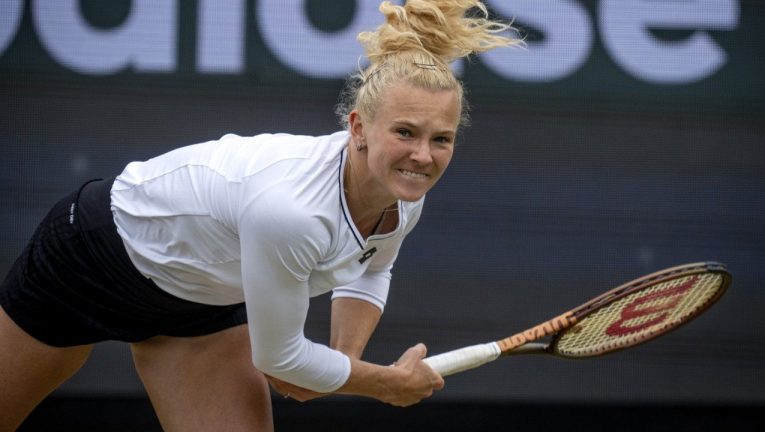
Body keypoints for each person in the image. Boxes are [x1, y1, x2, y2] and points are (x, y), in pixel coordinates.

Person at [0, 1, 520, 430]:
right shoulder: (292, 213)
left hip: (203, 308)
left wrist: (343, 362)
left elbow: (372, 266)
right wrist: (382, 383)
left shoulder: (403, 192)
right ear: (358, 128)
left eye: (441, 139)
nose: (423, 156)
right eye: (405, 132)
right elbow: (282, 361)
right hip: (93, 258)